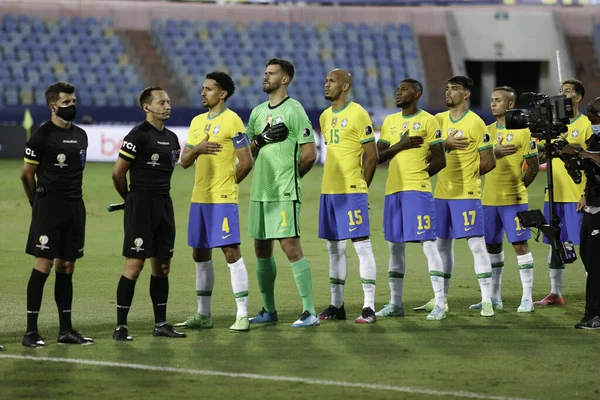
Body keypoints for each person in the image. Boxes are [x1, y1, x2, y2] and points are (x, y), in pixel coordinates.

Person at [174, 72, 254, 332]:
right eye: (203, 88)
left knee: (231, 252)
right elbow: (184, 162)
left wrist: (229, 186)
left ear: (223, 94)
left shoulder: (233, 121)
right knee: (199, 253)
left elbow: (246, 161)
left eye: (209, 89)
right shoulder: (197, 122)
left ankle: (242, 314)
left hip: (222, 199)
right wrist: (197, 149)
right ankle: (203, 314)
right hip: (200, 198)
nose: (203, 92)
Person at [413, 76, 496, 317]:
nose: (449, 92)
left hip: (466, 194)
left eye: (455, 89)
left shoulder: (476, 123)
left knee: (476, 245)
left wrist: (469, 177)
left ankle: (486, 300)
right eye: (447, 88)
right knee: (441, 246)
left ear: (467, 94)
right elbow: (428, 152)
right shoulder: (438, 120)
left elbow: (489, 161)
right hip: (440, 194)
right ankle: (442, 299)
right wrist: (445, 144)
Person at [246, 58, 320, 328]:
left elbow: (310, 154)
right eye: (265, 72)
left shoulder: (295, 109)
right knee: (261, 249)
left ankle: (310, 311)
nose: (266, 77)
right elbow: (245, 149)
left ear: (285, 79)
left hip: (284, 192)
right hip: (260, 190)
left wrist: (291, 180)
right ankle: (268, 310)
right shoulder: (256, 113)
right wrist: (260, 139)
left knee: (290, 247)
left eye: (272, 73)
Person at [20, 81, 93, 347]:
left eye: (73, 102)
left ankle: (65, 330)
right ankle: (30, 331)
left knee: (67, 266)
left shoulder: (82, 135)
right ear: (53, 106)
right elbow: (26, 175)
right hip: (48, 207)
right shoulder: (41, 135)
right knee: (44, 264)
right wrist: (36, 204)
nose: (71, 106)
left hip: (75, 207)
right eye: (66, 103)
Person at [111, 86, 185, 341]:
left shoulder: (173, 138)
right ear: (147, 107)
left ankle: (161, 324)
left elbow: (174, 166)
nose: (168, 105)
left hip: (164, 205)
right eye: (162, 102)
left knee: (162, 266)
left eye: (168, 101)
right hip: (140, 205)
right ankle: (121, 326)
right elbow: (118, 173)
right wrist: (130, 200)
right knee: (135, 264)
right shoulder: (138, 135)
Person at [375, 79, 448, 320]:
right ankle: (396, 304)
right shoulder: (390, 122)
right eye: (397, 89)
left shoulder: (429, 120)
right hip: (393, 191)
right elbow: (377, 156)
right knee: (394, 247)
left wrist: (419, 176)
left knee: (428, 244)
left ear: (416, 93)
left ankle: (440, 303)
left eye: (404, 89)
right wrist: (401, 145)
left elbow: (440, 159)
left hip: (417, 191)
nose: (398, 92)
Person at [316, 69, 379, 324]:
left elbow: (372, 155)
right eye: (326, 79)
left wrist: (362, 187)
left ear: (344, 86)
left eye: (331, 81)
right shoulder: (324, 116)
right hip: (328, 190)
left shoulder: (358, 113)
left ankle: (369, 307)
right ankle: (337, 305)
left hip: (351, 189)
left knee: (361, 246)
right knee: (334, 249)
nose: (326, 84)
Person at [475, 86, 540, 312]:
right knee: (492, 247)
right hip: (489, 199)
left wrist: (520, 187)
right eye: (492, 100)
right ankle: (494, 297)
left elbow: (532, 165)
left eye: (498, 101)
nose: (493, 104)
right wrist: (496, 153)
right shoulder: (487, 131)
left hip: (513, 200)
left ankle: (527, 298)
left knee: (520, 245)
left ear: (510, 105)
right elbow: (479, 163)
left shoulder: (523, 132)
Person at [535, 78, 593, 306]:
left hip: (577, 195)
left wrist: (587, 193)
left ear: (578, 98)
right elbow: (540, 157)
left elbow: (594, 160)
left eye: (568, 91)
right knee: (555, 246)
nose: (563, 95)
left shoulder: (587, 125)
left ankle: (593, 295)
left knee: (588, 249)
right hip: (554, 195)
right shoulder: (551, 128)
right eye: (561, 91)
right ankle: (555, 293)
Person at [562, 97, 600, 329]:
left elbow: (593, 158)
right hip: (592, 204)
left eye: (595, 119)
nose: (592, 123)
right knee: (587, 256)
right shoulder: (595, 138)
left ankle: (595, 315)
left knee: (596, 263)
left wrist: (583, 153)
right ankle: (593, 311)